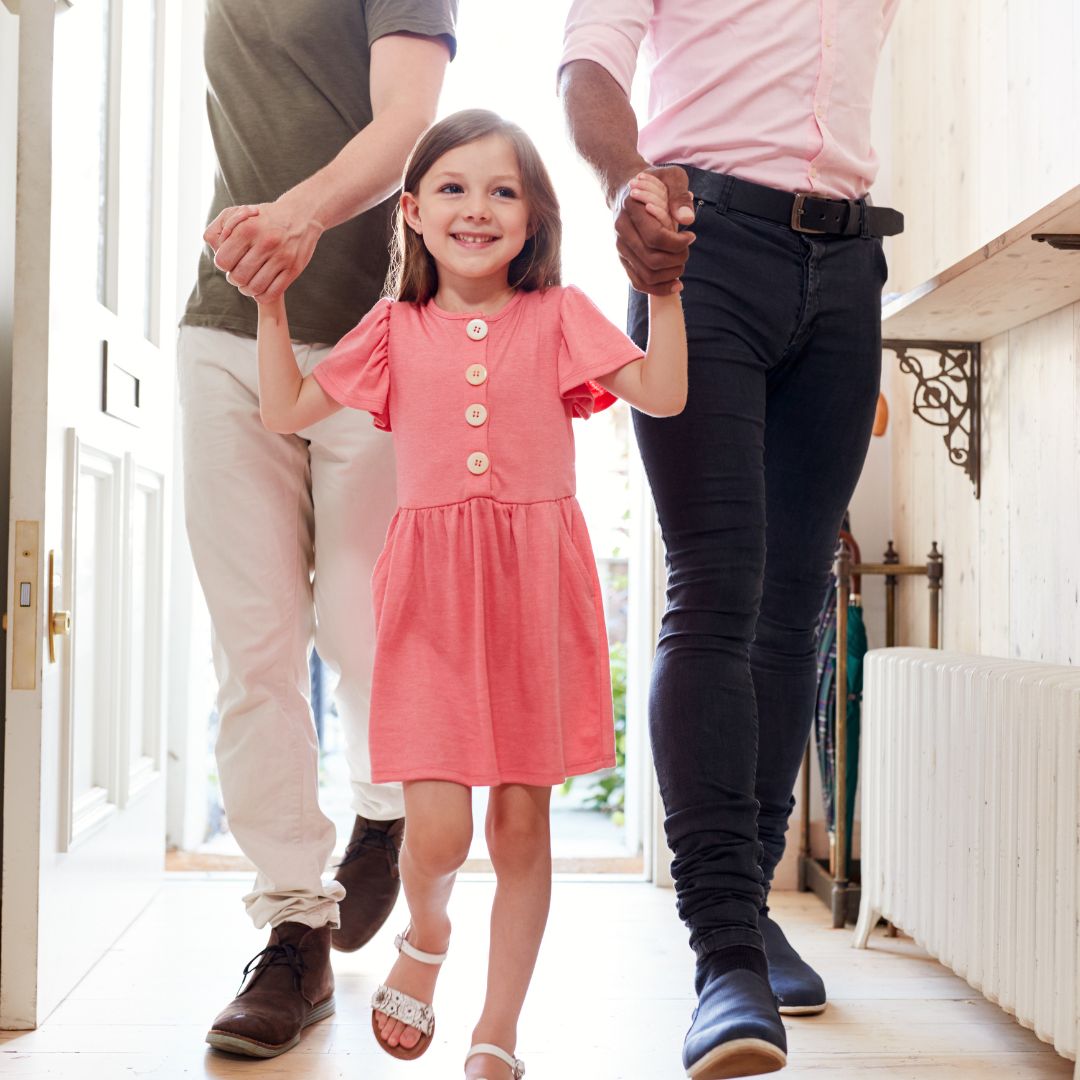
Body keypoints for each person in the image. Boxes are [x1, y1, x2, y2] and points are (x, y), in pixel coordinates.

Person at [249, 109, 688, 1079]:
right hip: (432, 599)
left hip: (535, 590)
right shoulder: (394, 328)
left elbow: (662, 392)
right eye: (452, 187)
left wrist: (668, 289)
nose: (477, 208)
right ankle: (428, 932)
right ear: (411, 211)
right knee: (439, 831)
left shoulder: (563, 314)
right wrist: (272, 306)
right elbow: (285, 410)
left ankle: (498, 1030)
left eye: (503, 190)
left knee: (521, 821)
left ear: (534, 216)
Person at [559, 3, 904, 1076]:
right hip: (704, 246)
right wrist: (629, 181)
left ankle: (749, 916)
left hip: (848, 267)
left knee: (796, 596)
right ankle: (722, 959)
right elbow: (588, 65)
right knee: (717, 586)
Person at [179, 0, 457, 1059]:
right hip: (229, 320)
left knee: (361, 628)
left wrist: (297, 214)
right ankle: (293, 927)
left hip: (374, 327)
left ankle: (381, 808)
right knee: (253, 646)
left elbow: (407, 122)